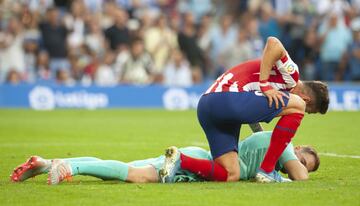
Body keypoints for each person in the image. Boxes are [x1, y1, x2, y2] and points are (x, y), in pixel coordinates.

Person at [160, 36, 329, 184]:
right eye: (309, 110)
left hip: (207, 106)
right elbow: (273, 42)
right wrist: (264, 84)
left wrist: (261, 135)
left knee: (231, 173)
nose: (305, 112)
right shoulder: (292, 77)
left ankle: (179, 160)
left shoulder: (277, 90)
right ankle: (267, 171)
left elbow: (251, 107)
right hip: (226, 98)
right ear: (308, 100)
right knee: (296, 105)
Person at [10, 131, 319, 185]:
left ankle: (45, 164)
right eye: (305, 159)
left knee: (129, 169)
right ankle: (71, 167)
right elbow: (301, 178)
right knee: (135, 175)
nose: (300, 167)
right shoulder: (284, 144)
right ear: (300, 148)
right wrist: (297, 174)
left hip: (200, 159)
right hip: (194, 164)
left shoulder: (267, 149)